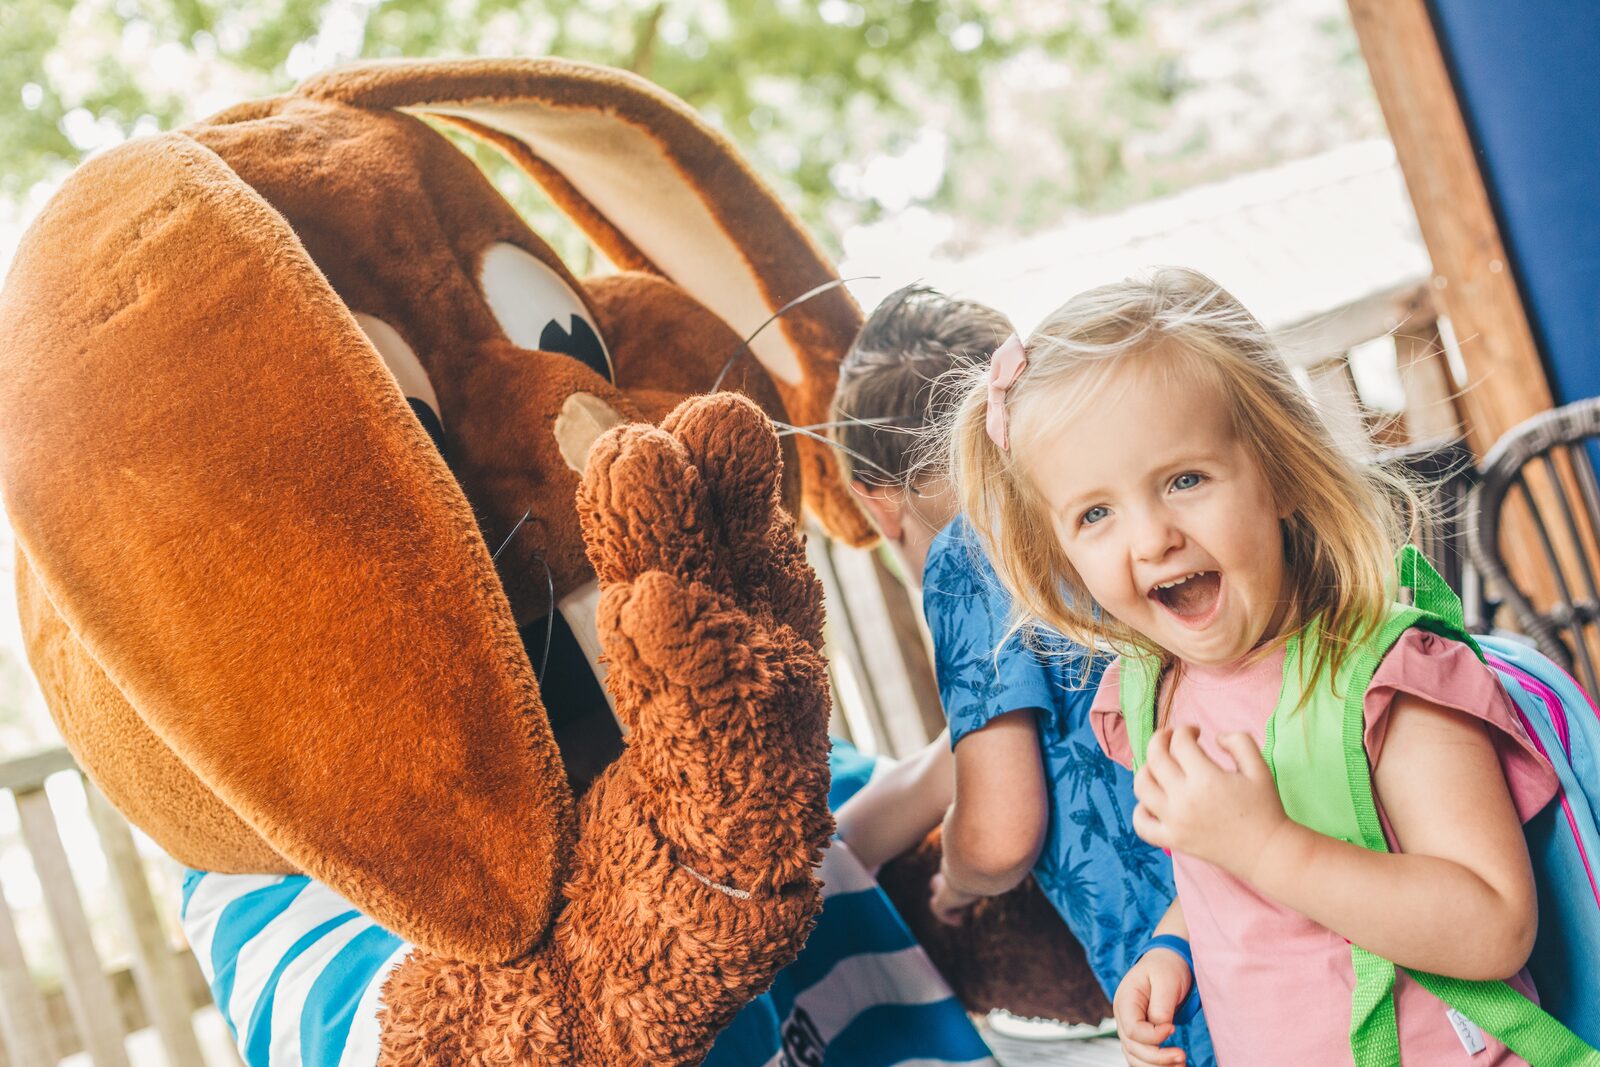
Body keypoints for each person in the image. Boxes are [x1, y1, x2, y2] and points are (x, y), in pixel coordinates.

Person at [948, 267, 1559, 1066]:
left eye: (1184, 480)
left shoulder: (1383, 679)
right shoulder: (1154, 695)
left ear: (1279, 473)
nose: (1152, 537)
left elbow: (1493, 925)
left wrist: (1269, 846)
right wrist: (1174, 945)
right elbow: (1224, 877)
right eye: (1095, 513)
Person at [830, 285, 1214, 1063]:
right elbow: (965, 756)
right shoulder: (1081, 512)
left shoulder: (961, 559)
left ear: (880, 508)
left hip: (1174, 963)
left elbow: (1002, 832)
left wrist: (959, 882)